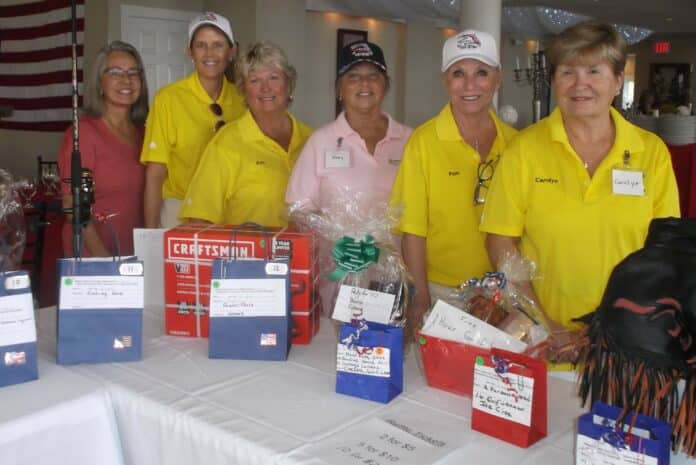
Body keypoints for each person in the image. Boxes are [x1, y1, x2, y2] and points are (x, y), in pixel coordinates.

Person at [480, 21, 680, 331]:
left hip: (629, 340)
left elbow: (666, 250)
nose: (579, 84)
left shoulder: (651, 152)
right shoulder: (524, 150)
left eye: (594, 71)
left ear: (617, 81)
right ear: (554, 82)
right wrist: (544, 325)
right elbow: (500, 243)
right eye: (568, 72)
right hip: (545, 338)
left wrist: (633, 324)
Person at [390, 30, 517, 325]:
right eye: (458, 73)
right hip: (441, 293)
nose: (470, 85)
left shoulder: (515, 144)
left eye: (481, 72)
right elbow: (413, 230)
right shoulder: (424, 142)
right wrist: (420, 297)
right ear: (444, 80)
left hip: (504, 293)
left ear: (498, 78)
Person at [285, 40, 412, 313]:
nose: (364, 84)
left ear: (385, 85)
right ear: (339, 88)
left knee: (386, 348)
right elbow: (299, 211)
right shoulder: (321, 141)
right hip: (336, 279)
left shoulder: (411, 141)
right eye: (353, 76)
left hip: (395, 277)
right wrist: (339, 243)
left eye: (373, 76)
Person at [179, 41, 312, 226]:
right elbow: (199, 219)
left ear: (288, 85)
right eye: (254, 80)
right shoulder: (226, 143)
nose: (265, 88)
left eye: (273, 77)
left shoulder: (313, 140)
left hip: (306, 253)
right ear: (243, 91)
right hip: (248, 254)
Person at [140, 12, 245, 228]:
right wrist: (150, 234)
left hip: (230, 212)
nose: (210, 53)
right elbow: (156, 172)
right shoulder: (168, 98)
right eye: (201, 45)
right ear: (189, 51)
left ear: (232, 50)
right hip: (180, 211)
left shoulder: (243, 100)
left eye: (218, 45)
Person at [58, 41, 149, 257]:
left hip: (134, 253)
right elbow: (73, 204)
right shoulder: (83, 134)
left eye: (133, 73)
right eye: (115, 72)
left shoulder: (145, 133)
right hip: (93, 258)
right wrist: (106, 260)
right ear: (99, 83)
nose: (126, 80)